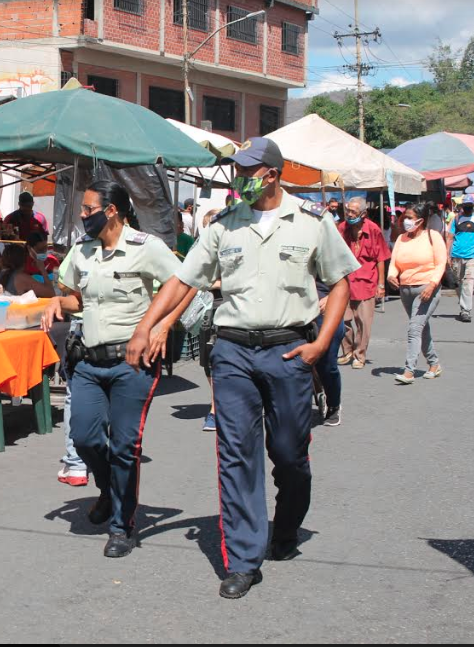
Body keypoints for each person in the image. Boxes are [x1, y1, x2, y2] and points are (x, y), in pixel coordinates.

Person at [127, 138, 359, 599]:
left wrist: (320, 345)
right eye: (235, 169)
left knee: (290, 455)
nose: (239, 178)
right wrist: (145, 326)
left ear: (272, 174)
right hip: (232, 350)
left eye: (247, 170)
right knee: (236, 455)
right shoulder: (223, 226)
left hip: (289, 350)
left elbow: (340, 284)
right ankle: (243, 559)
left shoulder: (312, 222)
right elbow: (183, 280)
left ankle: (287, 525)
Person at [42, 180, 186, 559]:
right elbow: (76, 296)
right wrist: (56, 302)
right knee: (85, 436)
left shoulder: (146, 248)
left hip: (132, 364)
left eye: (88, 209)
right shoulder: (82, 250)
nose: (82, 215)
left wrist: (161, 327)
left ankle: (122, 526)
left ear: (111, 211)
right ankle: (108, 490)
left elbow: (184, 284)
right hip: (89, 361)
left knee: (125, 446)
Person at [388, 202, 446, 384]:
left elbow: (441, 263)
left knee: (414, 328)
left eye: (409, 218)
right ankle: (434, 364)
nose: (405, 220)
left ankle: (409, 370)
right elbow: (394, 262)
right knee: (421, 327)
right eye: (405, 217)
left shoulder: (433, 236)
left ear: (420, 221)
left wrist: (432, 285)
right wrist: (391, 275)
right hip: (406, 289)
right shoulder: (401, 238)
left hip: (427, 288)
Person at [337, 197, 391, 369]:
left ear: (363, 213)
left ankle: (360, 354)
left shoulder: (373, 229)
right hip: (345, 280)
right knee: (342, 319)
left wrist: (381, 285)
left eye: (353, 211)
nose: (349, 214)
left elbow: (381, 258)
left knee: (363, 322)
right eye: (348, 211)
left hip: (366, 281)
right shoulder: (342, 228)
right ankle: (347, 350)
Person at [52, 245, 88, 487]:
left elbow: (64, 284)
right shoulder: (144, 245)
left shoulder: (83, 246)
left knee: (74, 397)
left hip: (86, 331)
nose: (84, 216)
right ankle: (80, 462)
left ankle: (76, 464)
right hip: (124, 334)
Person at [314, 279, 347, 426]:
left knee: (327, 364)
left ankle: (333, 404)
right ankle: (316, 388)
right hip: (295, 311)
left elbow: (345, 280)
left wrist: (331, 298)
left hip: (325, 310)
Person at [447, 195, 474, 323]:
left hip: (472, 256)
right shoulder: (456, 219)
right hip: (457, 256)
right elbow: (450, 237)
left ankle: (466, 311)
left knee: (468, 283)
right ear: (462, 207)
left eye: (470, 206)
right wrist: (447, 255)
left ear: (473, 206)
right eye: (466, 206)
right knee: (458, 283)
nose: (468, 209)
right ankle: (463, 303)